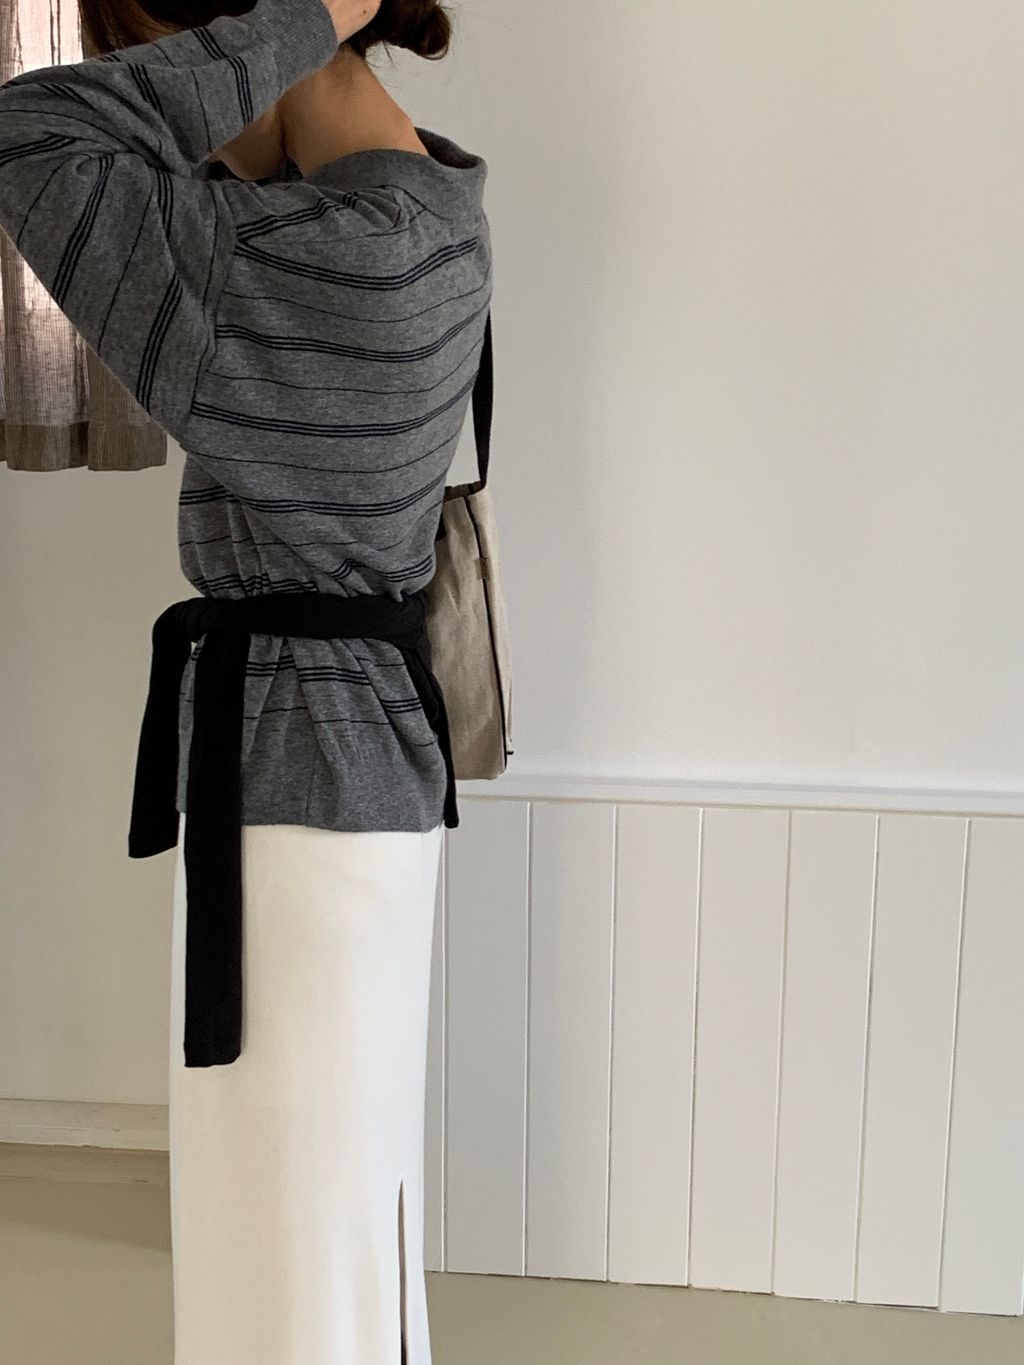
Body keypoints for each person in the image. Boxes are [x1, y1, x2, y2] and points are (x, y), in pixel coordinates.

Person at [0, 0, 492, 1359]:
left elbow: (34, 134)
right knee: (343, 1211)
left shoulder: (299, 256)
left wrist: (313, 12)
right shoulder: (438, 217)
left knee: (279, 1226)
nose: (192, 127)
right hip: (365, 763)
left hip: (292, 782)